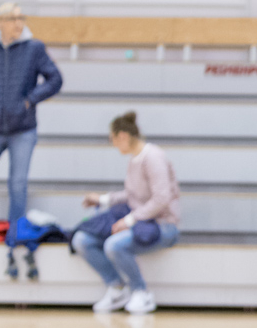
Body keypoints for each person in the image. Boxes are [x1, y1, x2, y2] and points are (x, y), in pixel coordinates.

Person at [73, 112, 182, 315]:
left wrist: (129, 220)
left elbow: (161, 199)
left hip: (163, 226)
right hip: (142, 222)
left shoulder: (153, 157)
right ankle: (116, 288)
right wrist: (103, 199)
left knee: (114, 245)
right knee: (82, 240)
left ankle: (142, 292)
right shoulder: (135, 160)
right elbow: (133, 196)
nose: (113, 144)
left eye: (113, 139)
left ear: (122, 136)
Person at [0, 2, 63, 281]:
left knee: (17, 185)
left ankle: (14, 241)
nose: (18, 24)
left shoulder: (34, 48)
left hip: (23, 130)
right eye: (12, 19)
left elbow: (55, 79)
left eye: (21, 18)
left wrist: (30, 99)